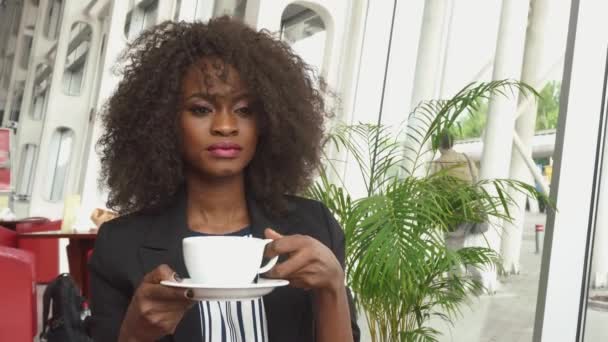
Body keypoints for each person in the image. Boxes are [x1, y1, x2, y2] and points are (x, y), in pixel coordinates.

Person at [89, 17, 359, 342]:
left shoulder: (315, 227)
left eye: (244, 110)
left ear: (268, 120)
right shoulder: (120, 246)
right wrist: (135, 334)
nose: (226, 126)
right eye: (202, 109)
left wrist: (332, 288)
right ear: (161, 121)